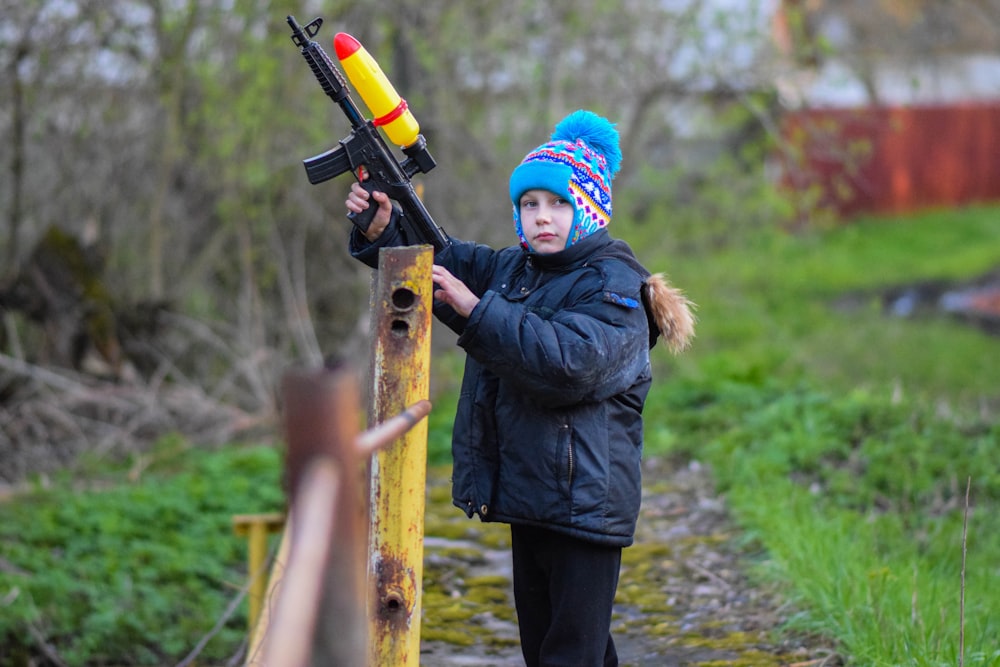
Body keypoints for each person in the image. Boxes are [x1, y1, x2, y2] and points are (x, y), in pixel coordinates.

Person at [346, 110, 694, 666]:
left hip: (586, 510)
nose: (543, 218)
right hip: (532, 497)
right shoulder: (517, 270)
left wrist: (475, 308)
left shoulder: (616, 285)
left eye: (559, 204)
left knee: (567, 655)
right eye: (530, 205)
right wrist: (383, 228)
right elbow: (442, 257)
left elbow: (571, 366)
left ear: (591, 209)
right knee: (555, 650)